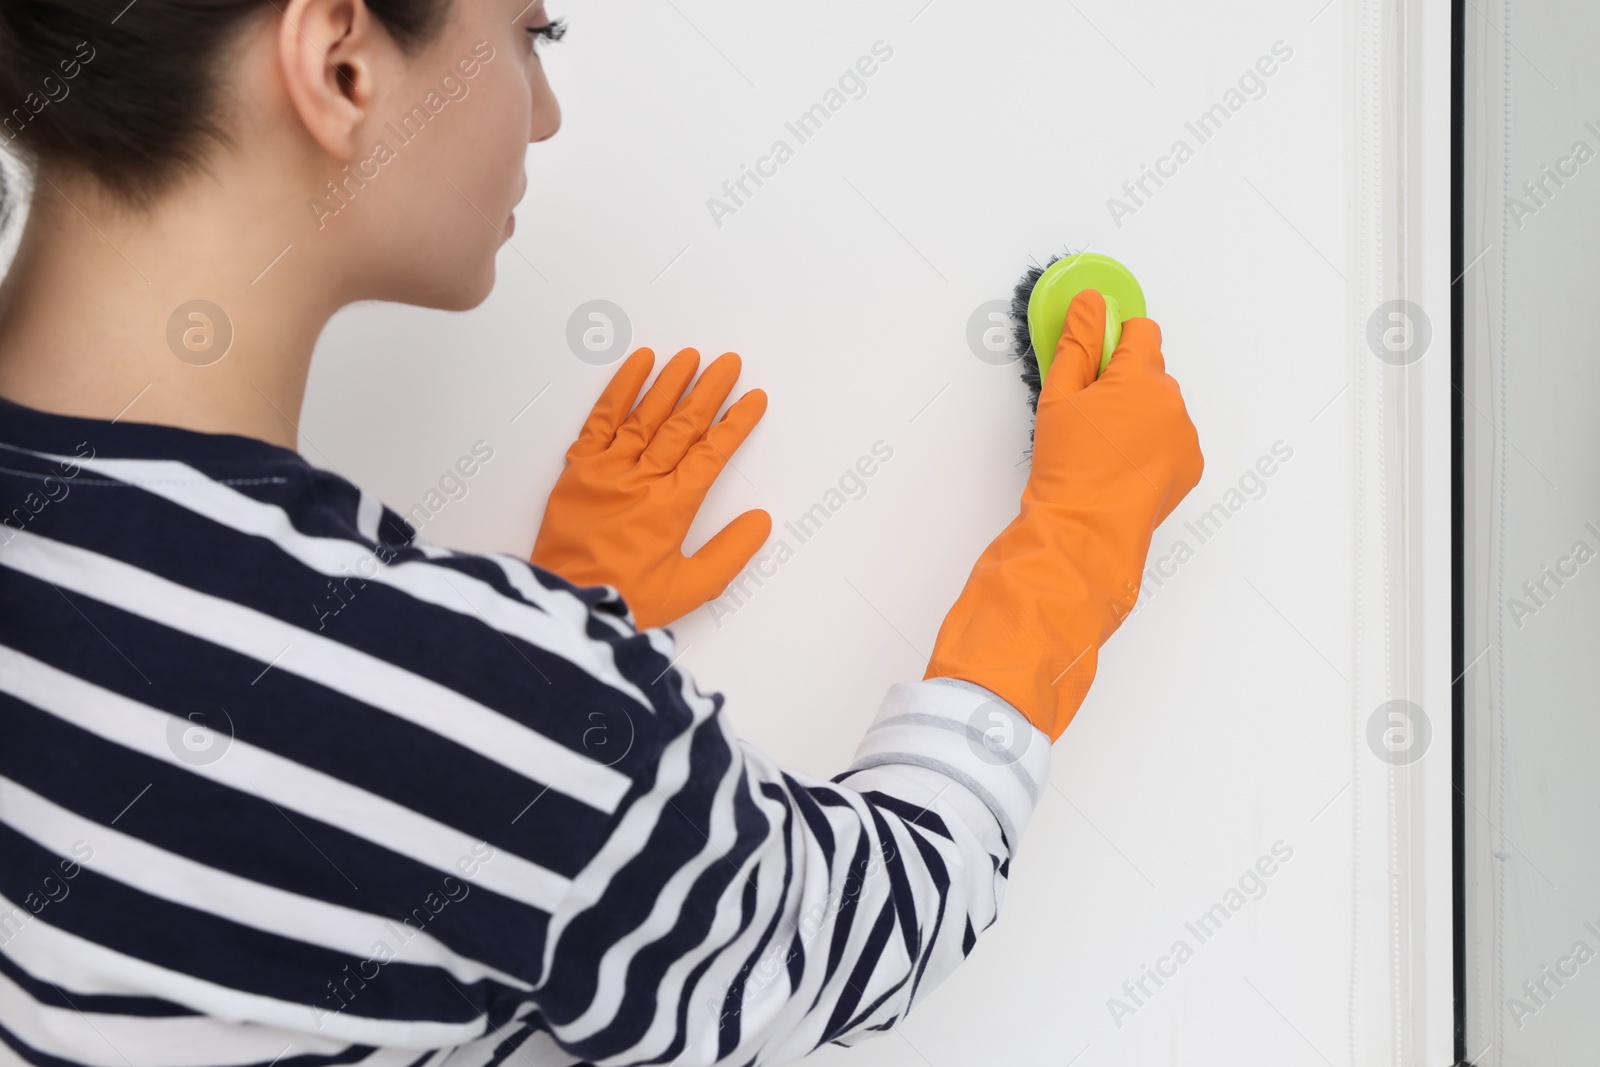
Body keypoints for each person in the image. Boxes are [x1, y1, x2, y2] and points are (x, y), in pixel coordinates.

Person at [0, 0, 1203, 1062]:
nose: (547, 114)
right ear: (343, 62)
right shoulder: (425, 702)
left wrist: (532, 641)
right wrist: (1080, 542)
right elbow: (853, 930)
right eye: (534, 35)